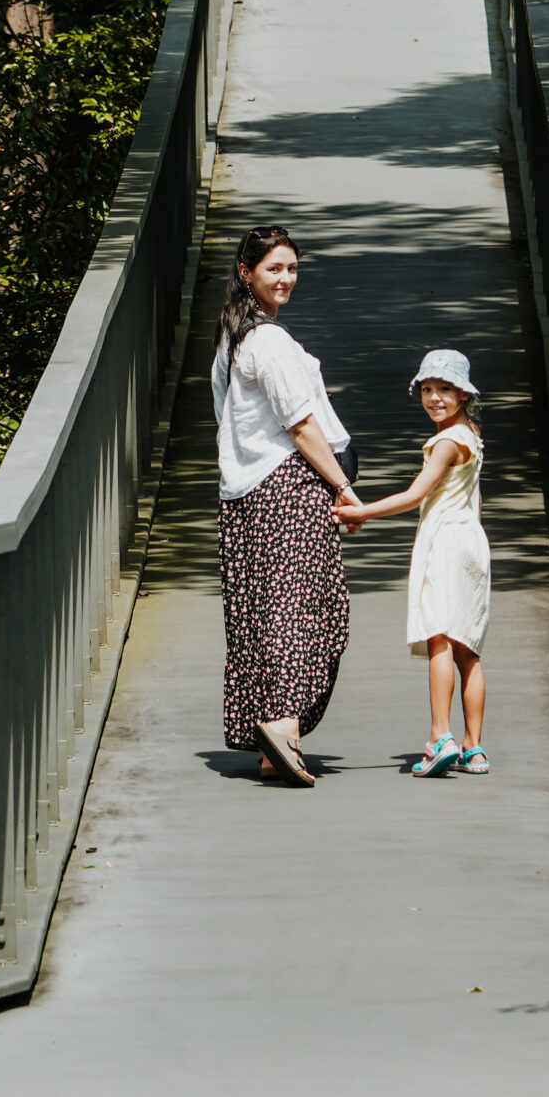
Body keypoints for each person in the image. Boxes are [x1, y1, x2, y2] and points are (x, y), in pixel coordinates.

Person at [212, 222, 357, 789]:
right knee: (308, 610)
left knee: (264, 611)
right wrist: (343, 488)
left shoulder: (231, 339)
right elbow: (301, 424)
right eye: (274, 268)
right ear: (246, 273)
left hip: (245, 495)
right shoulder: (267, 341)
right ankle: (280, 723)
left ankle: (278, 749)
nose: (286, 278)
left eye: (292, 268)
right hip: (287, 489)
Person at [334, 348, 491, 776]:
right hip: (471, 542)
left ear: (463, 395)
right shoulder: (471, 434)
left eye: (445, 389)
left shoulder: (445, 441)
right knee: (468, 650)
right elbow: (471, 496)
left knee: (440, 638)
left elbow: (415, 495)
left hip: (445, 543)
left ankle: (441, 737)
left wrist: (360, 512)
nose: (434, 398)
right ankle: (474, 747)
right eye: (427, 389)